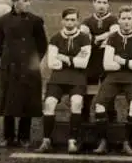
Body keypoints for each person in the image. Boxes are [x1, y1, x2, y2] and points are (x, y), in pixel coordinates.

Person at [0, 0, 48, 149]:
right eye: (25, 1)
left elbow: (42, 45)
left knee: (27, 101)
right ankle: (8, 137)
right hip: (9, 67)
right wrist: (9, 59)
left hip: (28, 68)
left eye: (29, 1)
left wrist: (31, 62)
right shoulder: (2, 21)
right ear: (15, 2)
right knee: (8, 102)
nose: (28, 4)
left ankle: (24, 137)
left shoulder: (36, 21)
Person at [92, 6, 132, 156]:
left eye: (129, 18)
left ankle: (126, 142)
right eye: (123, 18)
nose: (126, 22)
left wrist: (121, 61)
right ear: (119, 20)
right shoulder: (113, 37)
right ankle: (103, 141)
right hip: (113, 78)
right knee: (99, 106)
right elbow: (107, 65)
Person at [36, 8, 91, 153]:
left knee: (77, 102)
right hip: (57, 79)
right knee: (49, 103)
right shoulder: (55, 38)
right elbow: (52, 63)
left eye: (73, 19)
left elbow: (83, 63)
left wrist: (64, 58)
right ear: (62, 21)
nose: (70, 22)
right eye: (67, 19)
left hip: (77, 78)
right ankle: (46, 140)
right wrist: (74, 60)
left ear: (77, 21)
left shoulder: (84, 38)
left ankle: (72, 141)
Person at [80, 0, 119, 123]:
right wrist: (100, 38)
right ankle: (84, 116)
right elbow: (85, 37)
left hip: (107, 59)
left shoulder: (113, 19)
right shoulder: (87, 21)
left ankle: (111, 118)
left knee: (108, 90)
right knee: (88, 90)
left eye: (104, 3)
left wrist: (98, 38)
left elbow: (114, 34)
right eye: (99, 2)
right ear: (93, 3)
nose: (101, 6)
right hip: (92, 60)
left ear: (108, 5)